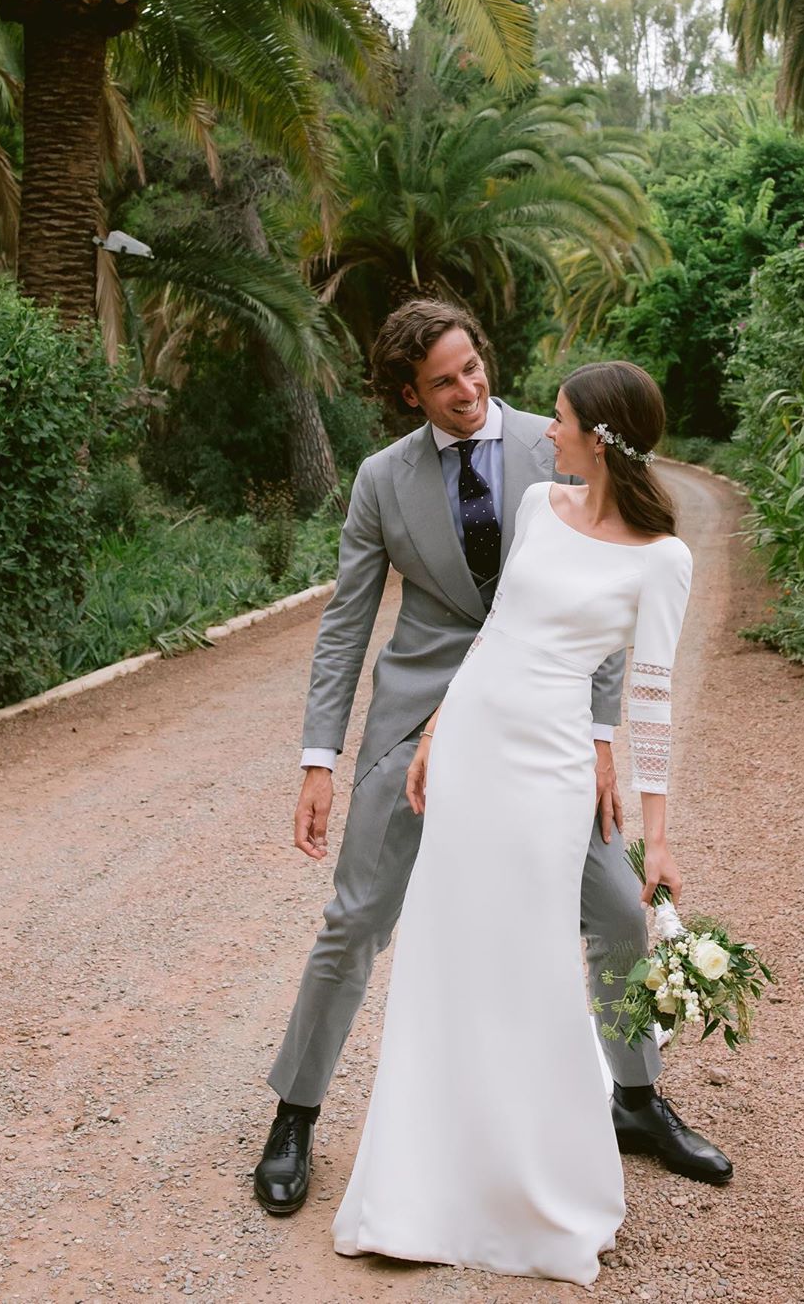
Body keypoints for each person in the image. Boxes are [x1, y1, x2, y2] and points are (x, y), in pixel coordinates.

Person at [254, 301, 731, 1227]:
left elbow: (602, 621)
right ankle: (295, 1113)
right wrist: (322, 757)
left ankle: (634, 1100)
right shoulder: (380, 481)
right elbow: (347, 621)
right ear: (409, 394)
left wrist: (600, 739)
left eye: (474, 367)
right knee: (355, 920)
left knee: (619, 913)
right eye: (445, 381)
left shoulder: (558, 450)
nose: (470, 390)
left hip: (546, 734)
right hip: (419, 727)